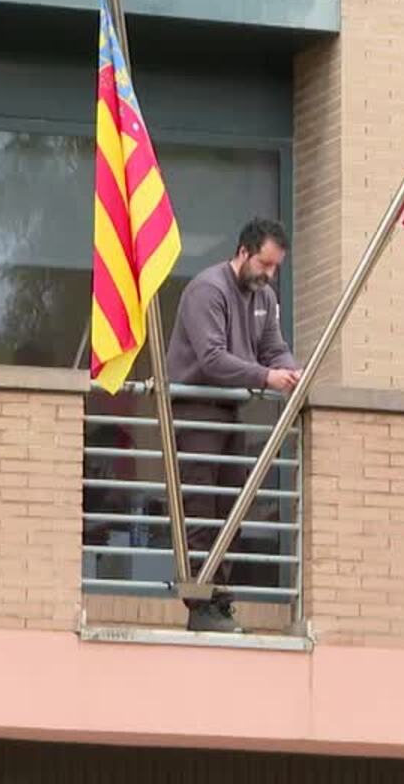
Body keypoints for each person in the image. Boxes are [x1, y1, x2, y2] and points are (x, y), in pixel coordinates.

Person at [165, 217, 301, 633]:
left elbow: (273, 347)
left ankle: (219, 601)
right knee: (202, 509)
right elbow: (211, 358)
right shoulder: (208, 290)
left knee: (232, 510)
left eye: (275, 267)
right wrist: (266, 377)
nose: (269, 275)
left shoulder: (265, 296)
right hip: (196, 409)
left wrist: (291, 370)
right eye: (264, 264)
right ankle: (200, 605)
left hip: (230, 410)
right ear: (243, 252)